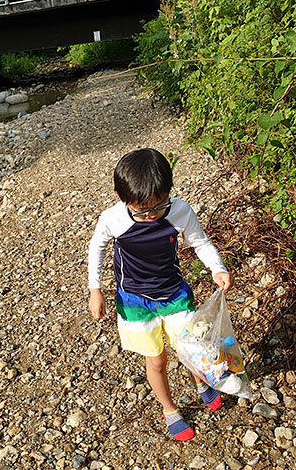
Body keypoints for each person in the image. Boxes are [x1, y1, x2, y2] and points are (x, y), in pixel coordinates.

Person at [87, 148, 232, 441]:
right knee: (156, 360)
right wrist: (95, 290)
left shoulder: (179, 210)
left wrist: (217, 267)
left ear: (169, 192)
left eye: (159, 205)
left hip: (174, 294)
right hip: (135, 303)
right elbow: (96, 248)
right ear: (120, 196)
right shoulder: (113, 218)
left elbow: (200, 243)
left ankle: (202, 382)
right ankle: (169, 409)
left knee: (192, 348)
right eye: (142, 210)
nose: (152, 215)